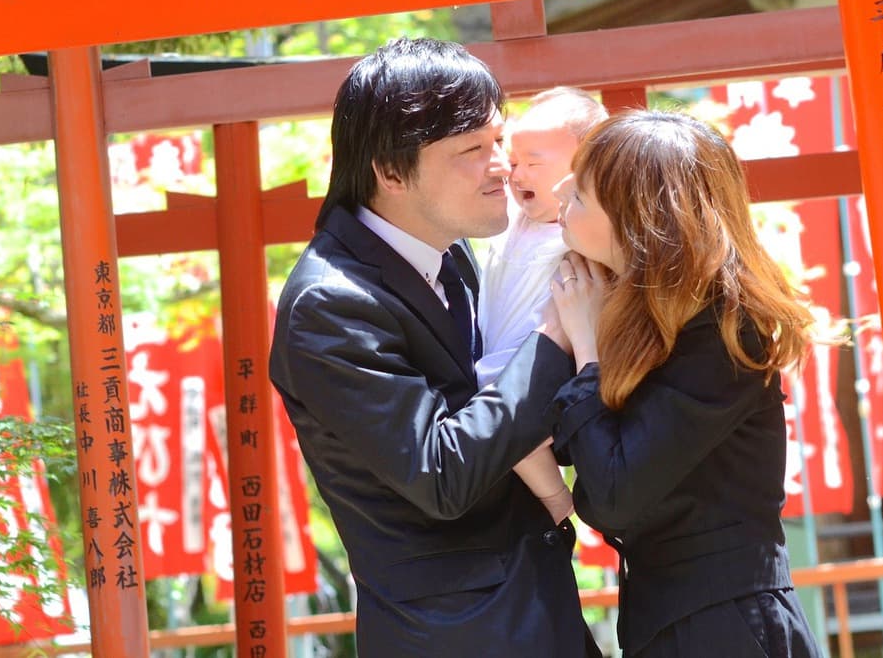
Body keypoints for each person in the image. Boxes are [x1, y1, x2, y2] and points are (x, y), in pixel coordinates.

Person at [270, 38, 597, 657]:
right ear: (391, 173)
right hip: (454, 634)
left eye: (499, 140)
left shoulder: (452, 254)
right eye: (473, 150)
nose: (502, 164)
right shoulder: (328, 306)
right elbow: (440, 472)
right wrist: (557, 334)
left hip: (535, 607)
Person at [548, 110, 824, 658]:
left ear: (637, 221)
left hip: (723, 624)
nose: (559, 194)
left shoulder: (724, 334)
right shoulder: (658, 319)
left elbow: (613, 495)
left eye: (580, 193)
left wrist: (585, 348)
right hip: (682, 620)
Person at [477, 87, 608, 524]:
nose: (517, 175)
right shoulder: (512, 219)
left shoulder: (580, 232)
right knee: (491, 401)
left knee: (508, 414)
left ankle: (555, 497)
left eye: (534, 163)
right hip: (495, 351)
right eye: (513, 162)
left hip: (536, 364)